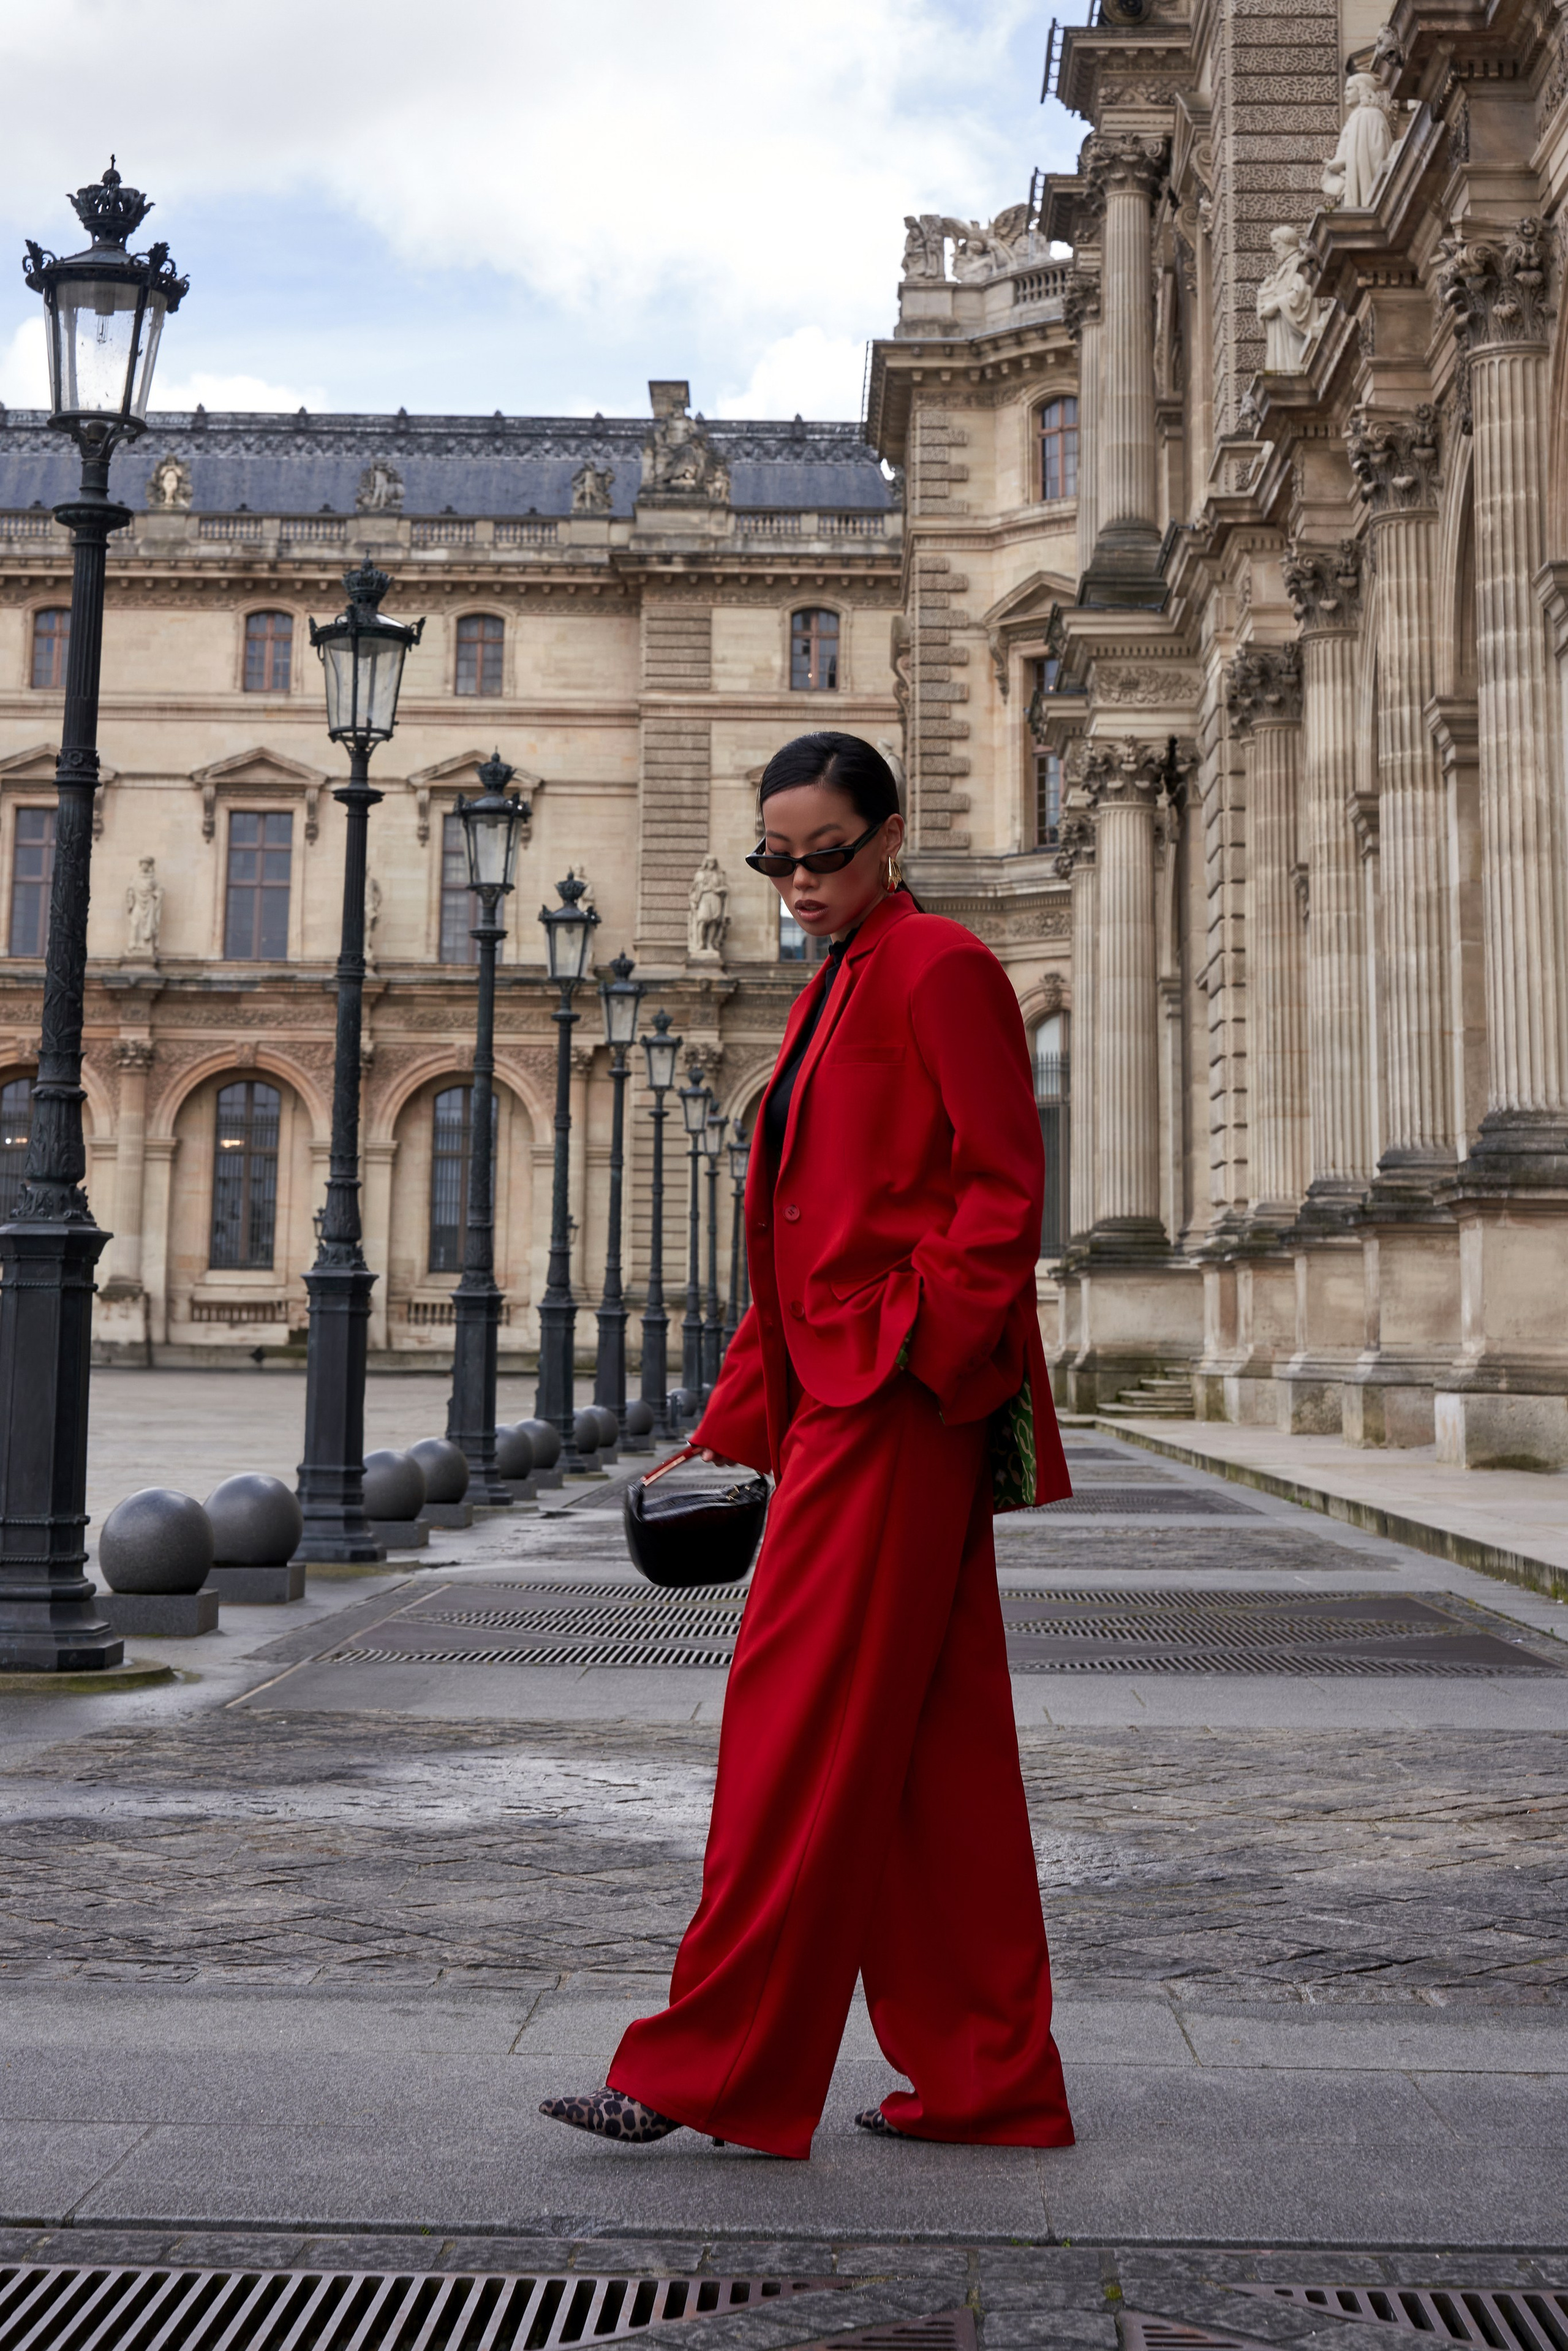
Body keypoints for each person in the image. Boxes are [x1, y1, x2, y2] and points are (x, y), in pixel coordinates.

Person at [541, 731, 1076, 2161]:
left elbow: (1000, 1193)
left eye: (820, 855)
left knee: (789, 1735)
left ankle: (703, 2067)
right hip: (843, 1395)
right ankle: (986, 2074)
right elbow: (791, 1233)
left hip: (894, 1405)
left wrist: (907, 1348)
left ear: (886, 837)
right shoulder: (834, 983)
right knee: (928, 1756)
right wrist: (726, 1426)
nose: (793, 883)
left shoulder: (941, 967)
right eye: (772, 858)